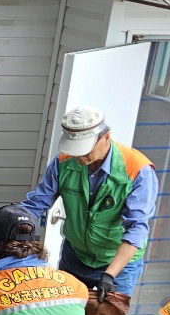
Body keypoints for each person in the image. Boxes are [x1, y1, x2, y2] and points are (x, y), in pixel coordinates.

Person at [20, 106, 158, 302]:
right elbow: (36, 204)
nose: (79, 157)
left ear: (106, 137)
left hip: (117, 263)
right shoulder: (63, 162)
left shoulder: (137, 170)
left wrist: (110, 275)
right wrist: (7, 227)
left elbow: (137, 228)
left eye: (86, 149)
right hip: (76, 255)